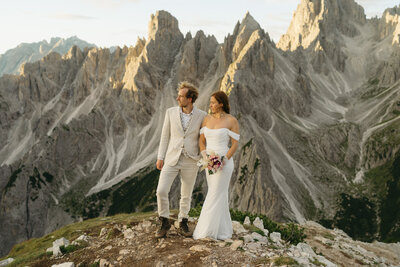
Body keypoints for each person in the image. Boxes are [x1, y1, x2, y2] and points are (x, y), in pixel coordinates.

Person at [155, 81, 207, 238]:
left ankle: (183, 220)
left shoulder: (202, 115)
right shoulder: (170, 112)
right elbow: (165, 136)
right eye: (178, 96)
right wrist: (160, 157)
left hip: (191, 159)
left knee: (186, 194)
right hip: (172, 158)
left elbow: (203, 138)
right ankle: (164, 221)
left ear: (190, 99)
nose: (178, 99)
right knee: (161, 190)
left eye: (181, 96)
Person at [193, 91, 240, 240]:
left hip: (224, 162)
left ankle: (206, 231)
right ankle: (222, 230)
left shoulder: (231, 120)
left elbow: (235, 144)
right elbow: (201, 141)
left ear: (221, 103)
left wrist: (224, 159)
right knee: (217, 193)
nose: (210, 105)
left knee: (215, 193)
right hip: (209, 162)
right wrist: (205, 155)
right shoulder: (206, 119)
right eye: (210, 102)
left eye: (213, 102)